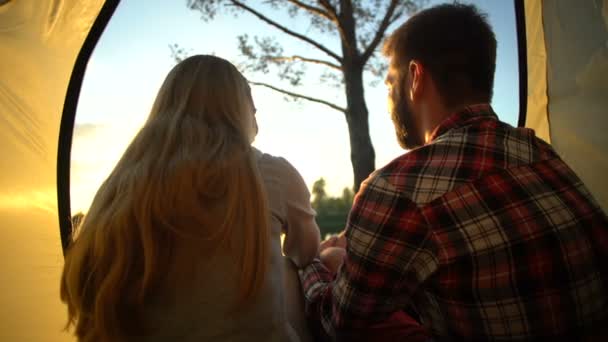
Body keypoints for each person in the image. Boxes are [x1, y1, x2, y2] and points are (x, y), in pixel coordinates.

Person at [299, 4, 608, 341]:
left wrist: (313, 264)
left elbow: (337, 322)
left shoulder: (398, 188)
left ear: (415, 77)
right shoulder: (540, 152)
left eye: (389, 85)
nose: (388, 101)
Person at [60, 55, 320, 341]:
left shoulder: (120, 186)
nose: (257, 117)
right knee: (288, 266)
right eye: (252, 107)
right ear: (238, 110)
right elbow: (306, 252)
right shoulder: (272, 173)